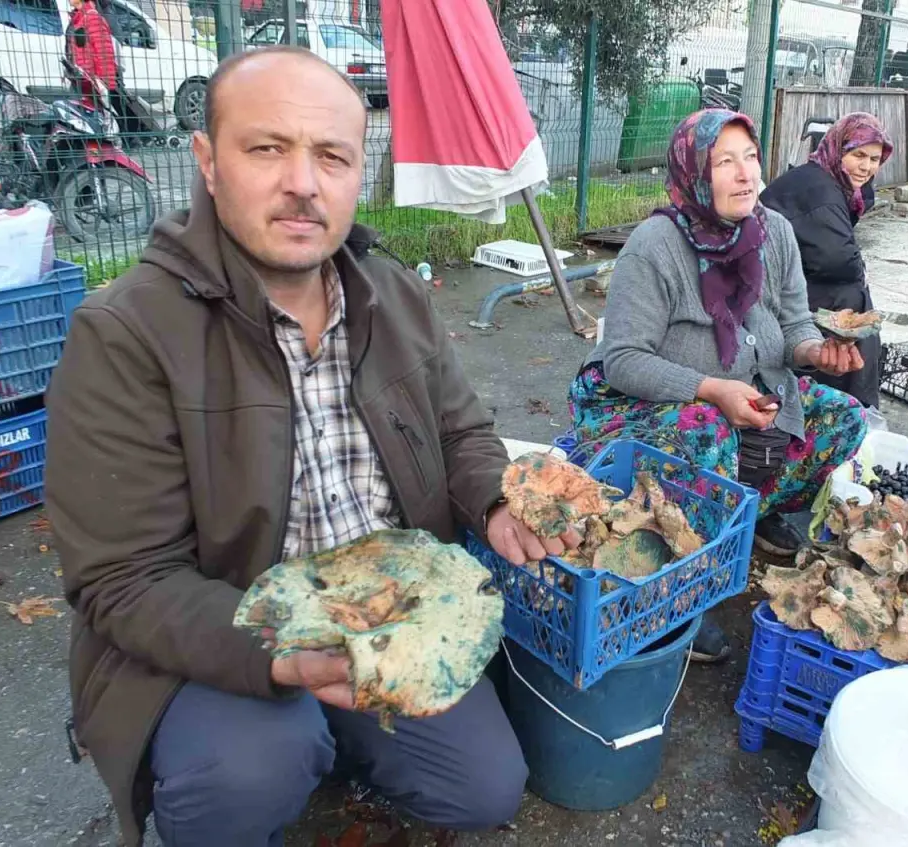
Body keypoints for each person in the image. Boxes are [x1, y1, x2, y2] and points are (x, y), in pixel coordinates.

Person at [44, 46, 558, 847]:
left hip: (385, 613)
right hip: (224, 632)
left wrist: (494, 501)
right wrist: (281, 656)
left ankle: (334, 740)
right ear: (208, 162)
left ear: (359, 172)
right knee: (248, 771)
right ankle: (249, 766)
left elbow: (462, 431)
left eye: (331, 156)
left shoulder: (392, 293)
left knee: (485, 787)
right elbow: (125, 578)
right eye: (266, 148)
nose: (303, 183)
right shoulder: (125, 333)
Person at [569, 109, 869, 662]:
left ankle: (753, 511)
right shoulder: (654, 245)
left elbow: (797, 322)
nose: (745, 175)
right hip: (643, 405)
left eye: (750, 158)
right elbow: (623, 361)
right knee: (709, 431)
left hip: (750, 388)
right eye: (724, 161)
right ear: (693, 172)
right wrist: (711, 388)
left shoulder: (773, 232)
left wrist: (815, 354)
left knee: (844, 416)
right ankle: (677, 593)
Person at [760, 113, 892, 412]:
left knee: (856, 306)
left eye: (874, 159)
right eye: (858, 155)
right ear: (837, 149)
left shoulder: (828, 178)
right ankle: (841, 406)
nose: (866, 167)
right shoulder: (822, 192)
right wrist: (861, 268)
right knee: (850, 305)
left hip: (791, 274)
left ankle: (845, 402)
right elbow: (835, 259)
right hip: (771, 285)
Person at [64, 0, 118, 113]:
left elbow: (105, 56)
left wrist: (105, 86)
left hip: (90, 84)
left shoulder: (91, 18)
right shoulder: (78, 18)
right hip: (80, 80)